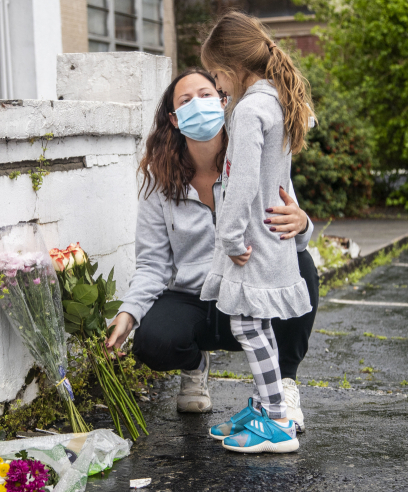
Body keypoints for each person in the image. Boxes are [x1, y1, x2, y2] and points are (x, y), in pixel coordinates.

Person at [105, 66, 318, 433]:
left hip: (250, 290)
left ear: (224, 102)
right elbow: (153, 263)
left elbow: (291, 233)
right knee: (152, 343)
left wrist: (303, 223)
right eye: (185, 100)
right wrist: (129, 312)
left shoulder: (256, 157)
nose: (198, 105)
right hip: (196, 298)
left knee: (302, 265)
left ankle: (283, 382)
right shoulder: (161, 180)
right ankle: (195, 365)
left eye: (206, 95)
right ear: (173, 118)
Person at [198, 11, 317, 453]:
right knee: (255, 324)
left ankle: (278, 422)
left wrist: (228, 237)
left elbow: (243, 182)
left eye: (215, 75)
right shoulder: (274, 102)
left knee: (247, 326)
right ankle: (270, 410)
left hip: (251, 241)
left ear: (231, 69)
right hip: (269, 237)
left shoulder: (251, 109)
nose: (216, 85)